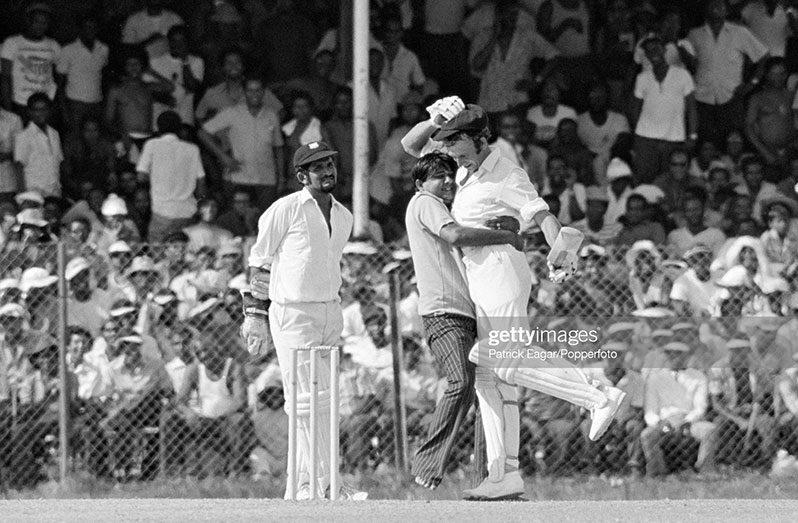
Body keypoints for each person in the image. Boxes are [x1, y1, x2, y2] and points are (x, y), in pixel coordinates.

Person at [402, 100, 625, 500]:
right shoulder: (460, 170)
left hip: (502, 270)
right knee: (491, 377)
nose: (448, 150)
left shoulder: (507, 171)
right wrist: (435, 120)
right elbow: (410, 145)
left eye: (455, 142)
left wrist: (561, 247)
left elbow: (541, 215)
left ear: (477, 137)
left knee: (502, 357)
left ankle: (596, 394)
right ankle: (503, 474)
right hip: (479, 277)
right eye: (447, 142)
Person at [240, 141, 366, 500]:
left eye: (330, 163)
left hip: (329, 309)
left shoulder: (344, 216)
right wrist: (256, 315)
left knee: (327, 400)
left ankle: (314, 482)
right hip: (293, 312)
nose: (327, 170)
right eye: (317, 166)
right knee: (303, 400)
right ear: (301, 176)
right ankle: (320, 484)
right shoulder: (286, 209)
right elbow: (260, 261)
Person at [405, 151, 526, 489]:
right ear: (420, 183)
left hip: (467, 311)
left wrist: (500, 226)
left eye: (449, 175)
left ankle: (492, 474)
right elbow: (456, 236)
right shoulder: (424, 202)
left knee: (485, 388)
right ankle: (427, 463)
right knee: (461, 382)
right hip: (443, 312)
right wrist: (506, 237)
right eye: (437, 176)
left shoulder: (449, 210)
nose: (446, 181)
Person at [688, 0, 769, 147]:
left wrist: (752, 84)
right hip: (702, 99)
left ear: (727, 11)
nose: (715, 8)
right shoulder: (694, 35)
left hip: (732, 99)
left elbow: (764, 57)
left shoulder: (740, 33)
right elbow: (687, 64)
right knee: (705, 145)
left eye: (720, 5)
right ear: (705, 9)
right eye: (712, 4)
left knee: (732, 144)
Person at [198, 76, 285, 211]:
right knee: (238, 222)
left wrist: (281, 178)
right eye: (250, 90)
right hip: (238, 178)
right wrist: (223, 157)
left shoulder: (271, 115)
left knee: (265, 223)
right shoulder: (232, 113)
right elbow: (203, 133)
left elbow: (278, 148)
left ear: (263, 92)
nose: (254, 94)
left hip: (266, 179)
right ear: (244, 92)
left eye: (258, 90)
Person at [631, 33, 697, 184]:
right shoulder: (642, 78)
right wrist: (639, 133)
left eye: (656, 48)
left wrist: (692, 135)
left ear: (664, 50)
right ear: (646, 55)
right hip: (646, 139)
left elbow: (691, 108)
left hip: (673, 138)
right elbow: (635, 109)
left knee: (670, 180)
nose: (653, 52)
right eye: (649, 50)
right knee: (645, 180)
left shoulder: (682, 75)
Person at [136, 111, 206, 242]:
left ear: (157, 127)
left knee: (158, 253)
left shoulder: (151, 145)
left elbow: (141, 176)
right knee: (184, 253)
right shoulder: (192, 149)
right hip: (187, 212)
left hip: (162, 212)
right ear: (179, 128)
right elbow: (201, 181)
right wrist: (199, 201)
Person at [0, 3, 60, 116]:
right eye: (36, 21)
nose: (40, 26)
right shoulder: (12, 43)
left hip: (45, 104)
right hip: (21, 104)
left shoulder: (54, 45)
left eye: (44, 23)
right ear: (29, 21)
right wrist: (8, 110)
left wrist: (54, 102)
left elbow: (57, 76)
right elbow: (5, 78)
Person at [56, 15, 109, 140]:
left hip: (96, 104)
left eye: (93, 27)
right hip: (75, 105)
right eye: (86, 27)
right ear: (80, 29)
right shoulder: (68, 50)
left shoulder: (103, 49)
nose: (90, 30)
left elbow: (103, 77)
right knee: (75, 140)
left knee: (95, 141)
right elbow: (59, 83)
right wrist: (64, 112)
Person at [745, 57, 795, 169]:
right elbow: (749, 128)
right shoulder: (757, 98)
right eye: (773, 73)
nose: (778, 78)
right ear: (767, 75)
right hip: (767, 153)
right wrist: (765, 152)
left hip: (791, 153)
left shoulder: (791, 96)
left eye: (782, 73)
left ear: (786, 74)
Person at [14, 93, 63, 197]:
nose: (41, 113)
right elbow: (19, 168)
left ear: (49, 110)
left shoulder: (54, 134)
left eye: (44, 109)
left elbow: (57, 162)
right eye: (37, 110)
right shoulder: (24, 136)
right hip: (33, 193)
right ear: (30, 112)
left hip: (54, 192)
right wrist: (23, 196)